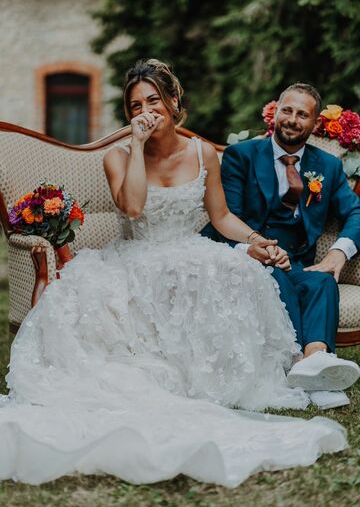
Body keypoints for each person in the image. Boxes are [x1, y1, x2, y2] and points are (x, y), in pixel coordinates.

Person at [0, 62, 349, 486]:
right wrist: (135, 142)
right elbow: (130, 207)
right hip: (137, 256)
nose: (145, 110)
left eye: (153, 100)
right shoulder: (118, 156)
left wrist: (255, 238)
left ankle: (301, 365)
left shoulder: (203, 154)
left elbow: (221, 217)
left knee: (241, 272)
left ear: (173, 102)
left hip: (192, 250)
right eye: (135, 105)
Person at [203, 83, 360, 408]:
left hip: (298, 264)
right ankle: (312, 372)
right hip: (248, 260)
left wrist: (337, 252)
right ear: (276, 112)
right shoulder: (241, 156)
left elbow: (355, 210)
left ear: (315, 123)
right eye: (287, 110)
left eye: (302, 114)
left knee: (321, 281)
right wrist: (255, 249)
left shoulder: (327, 166)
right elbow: (224, 218)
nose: (292, 119)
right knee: (271, 279)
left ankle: (315, 360)